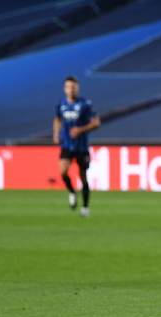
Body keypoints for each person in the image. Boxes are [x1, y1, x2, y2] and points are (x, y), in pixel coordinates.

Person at [53, 76, 100, 217]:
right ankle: (72, 192)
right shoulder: (61, 104)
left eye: (73, 87)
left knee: (83, 176)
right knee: (63, 171)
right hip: (67, 145)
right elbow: (57, 119)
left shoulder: (85, 104)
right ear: (64, 89)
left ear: (77, 88)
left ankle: (85, 208)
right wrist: (56, 134)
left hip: (81, 147)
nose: (71, 89)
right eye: (68, 87)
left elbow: (96, 123)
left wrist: (80, 130)